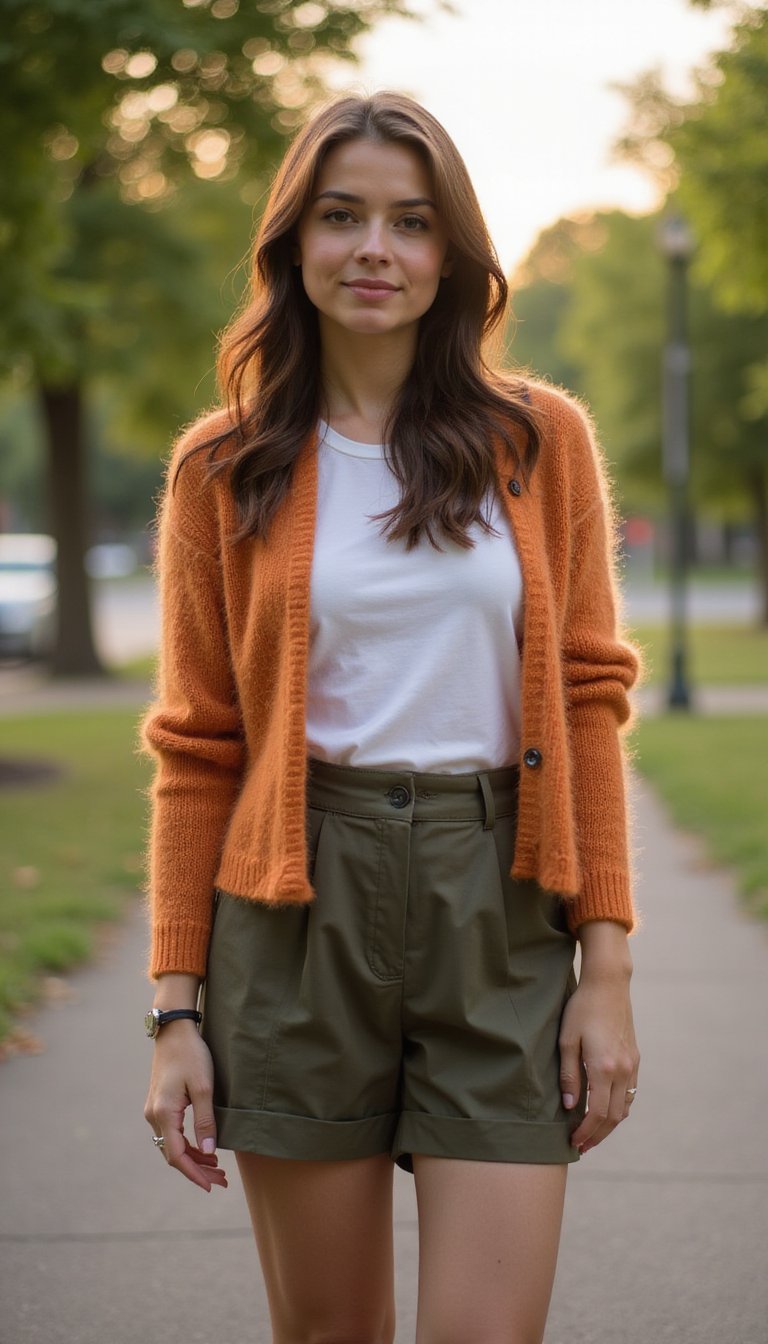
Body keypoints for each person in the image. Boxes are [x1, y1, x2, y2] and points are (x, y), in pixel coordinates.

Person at [139, 90, 644, 1344]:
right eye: (342, 215)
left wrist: (608, 971)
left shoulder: (540, 443)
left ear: (452, 252)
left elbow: (588, 702)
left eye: (411, 222)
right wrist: (176, 1014)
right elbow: (199, 749)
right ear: (292, 244)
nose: (375, 249)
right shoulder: (225, 467)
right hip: (297, 911)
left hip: (501, 900)